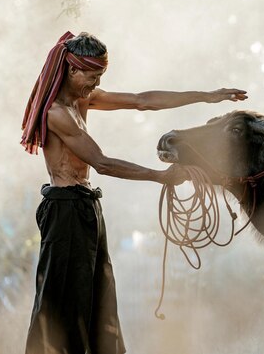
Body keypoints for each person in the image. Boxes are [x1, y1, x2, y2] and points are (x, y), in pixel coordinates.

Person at [20, 31, 247, 354]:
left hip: (86, 208)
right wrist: (160, 177)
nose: (96, 85)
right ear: (73, 70)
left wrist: (207, 96)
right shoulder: (56, 113)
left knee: (99, 295)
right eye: (93, 77)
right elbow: (102, 163)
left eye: (101, 78)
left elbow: (143, 100)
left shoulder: (83, 99)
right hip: (65, 209)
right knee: (61, 302)